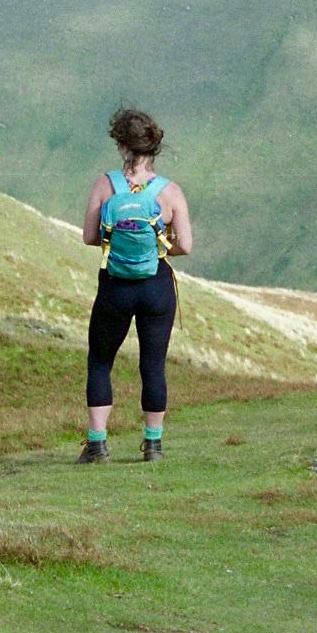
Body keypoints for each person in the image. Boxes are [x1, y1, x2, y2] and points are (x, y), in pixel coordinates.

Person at [76, 107, 193, 464]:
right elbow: (185, 246)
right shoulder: (170, 191)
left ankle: (97, 445)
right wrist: (157, 246)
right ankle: (153, 445)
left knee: (100, 360)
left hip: (115, 286)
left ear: (122, 146)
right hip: (156, 285)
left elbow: (89, 237)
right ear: (153, 147)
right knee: (153, 364)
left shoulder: (104, 185)